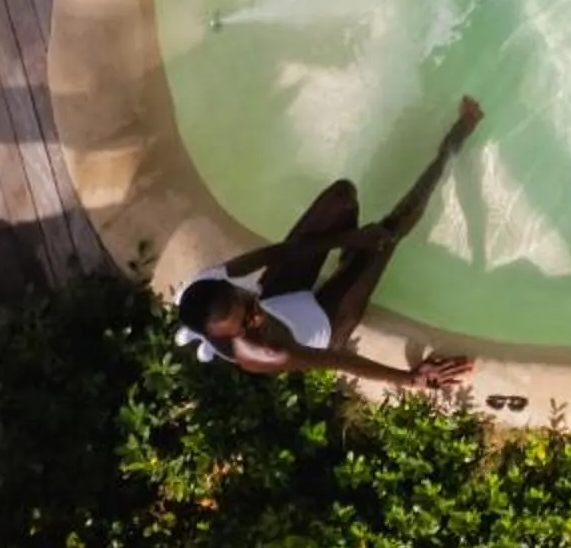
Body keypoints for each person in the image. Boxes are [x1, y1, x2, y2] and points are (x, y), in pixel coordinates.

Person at [173, 96, 486, 389]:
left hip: (281, 297)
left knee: (341, 197)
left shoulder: (212, 280)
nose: (256, 318)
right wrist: (411, 378)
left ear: (231, 286)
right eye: (245, 325)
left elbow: (281, 251)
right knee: (389, 231)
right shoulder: (262, 352)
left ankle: (352, 255)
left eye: (247, 305)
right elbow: (341, 361)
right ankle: (452, 145)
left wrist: (350, 237)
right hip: (323, 325)